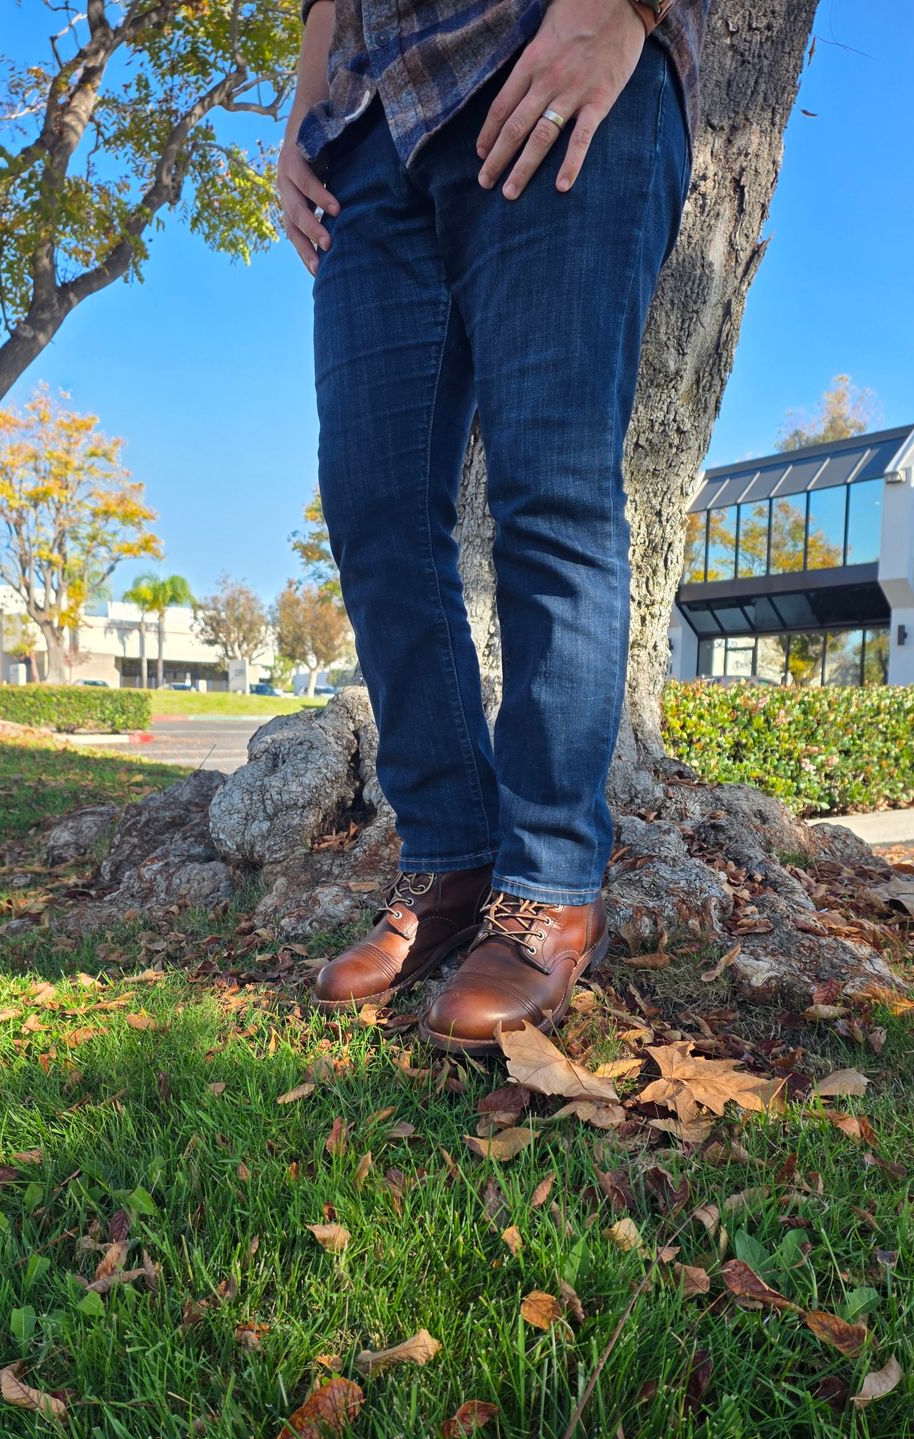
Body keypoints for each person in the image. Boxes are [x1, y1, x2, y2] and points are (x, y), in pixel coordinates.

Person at [278, 0, 708, 1053]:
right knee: (375, 514)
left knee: (550, 491)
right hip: (369, 126)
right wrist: (303, 107)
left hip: (544, 45)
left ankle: (547, 884)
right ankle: (451, 855)